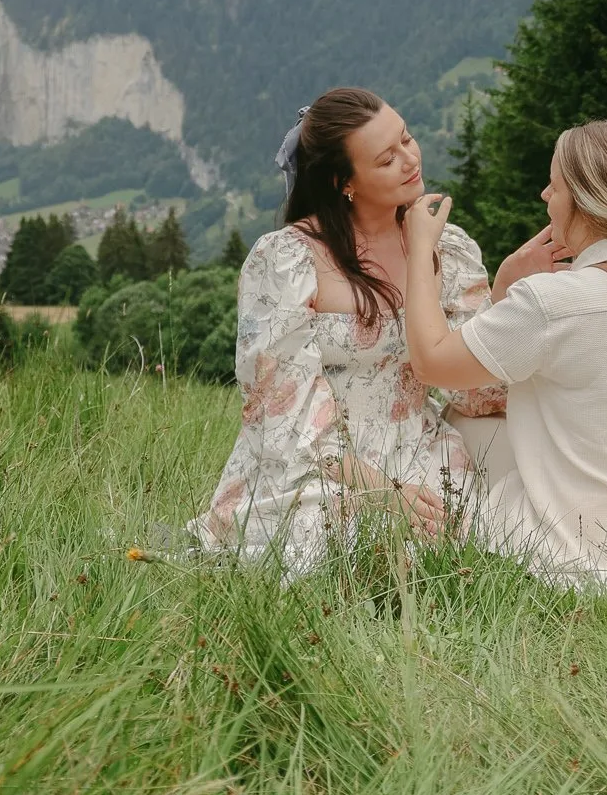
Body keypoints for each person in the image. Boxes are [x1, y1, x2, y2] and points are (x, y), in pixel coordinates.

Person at [190, 87, 547, 575]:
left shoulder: (448, 246)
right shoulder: (288, 260)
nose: (409, 160)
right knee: (334, 553)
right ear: (344, 182)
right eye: (386, 159)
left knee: (485, 541)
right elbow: (280, 409)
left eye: (407, 138)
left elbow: (476, 392)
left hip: (419, 445)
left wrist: (504, 292)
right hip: (319, 460)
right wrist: (378, 489)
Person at [403, 118, 607, 585]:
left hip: (582, 553)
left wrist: (419, 250)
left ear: (579, 200)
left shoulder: (549, 302)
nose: (544, 196)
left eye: (554, 186)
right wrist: (507, 286)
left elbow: (431, 363)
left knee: (461, 423)